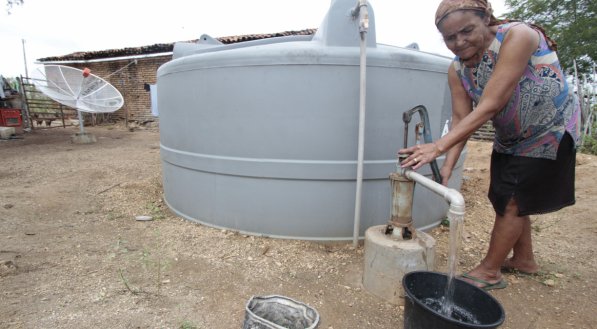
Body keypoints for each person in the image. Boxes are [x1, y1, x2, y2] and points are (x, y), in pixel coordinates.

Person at [399, 0, 580, 290]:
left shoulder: (518, 36)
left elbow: (491, 104)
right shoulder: (456, 69)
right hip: (510, 136)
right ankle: (524, 259)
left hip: (549, 130)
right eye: (450, 38)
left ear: (486, 18)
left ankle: (489, 272)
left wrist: (437, 146)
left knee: (512, 201)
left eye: (467, 31)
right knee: (508, 196)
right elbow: (460, 118)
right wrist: (446, 165)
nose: (459, 42)